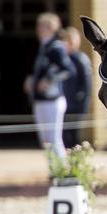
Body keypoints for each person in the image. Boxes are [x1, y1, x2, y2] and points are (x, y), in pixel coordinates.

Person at [25, 13, 72, 159]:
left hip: (52, 99)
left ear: (51, 28)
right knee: (45, 140)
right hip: (41, 99)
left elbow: (68, 69)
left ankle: (62, 173)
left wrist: (49, 80)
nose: (38, 29)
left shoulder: (56, 47)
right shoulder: (44, 47)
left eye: (42, 26)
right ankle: (54, 170)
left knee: (54, 139)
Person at [60, 26, 92, 149]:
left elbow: (86, 85)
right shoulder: (63, 58)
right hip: (65, 105)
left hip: (75, 106)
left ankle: (77, 163)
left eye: (72, 40)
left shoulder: (81, 60)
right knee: (64, 136)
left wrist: (82, 105)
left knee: (73, 137)